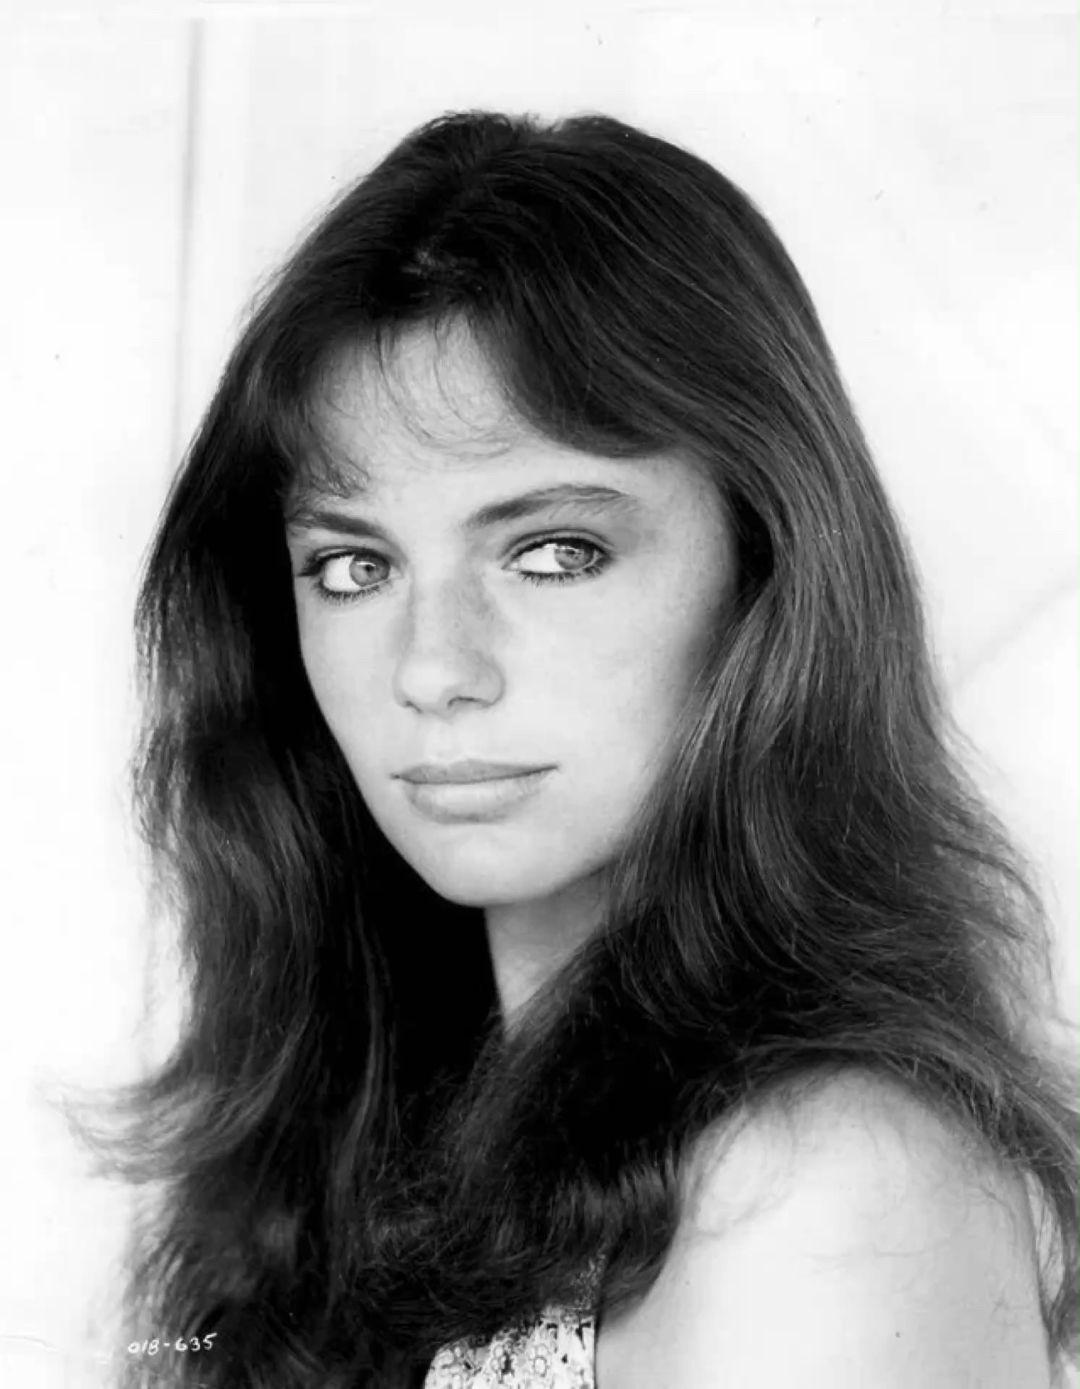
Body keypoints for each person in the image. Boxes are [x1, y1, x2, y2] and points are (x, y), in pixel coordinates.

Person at [84, 110, 1077, 1387]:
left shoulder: (830, 1192)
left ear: (764, 566)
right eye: (353, 566)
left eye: (554, 552)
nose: (432, 669)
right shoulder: (360, 1150)